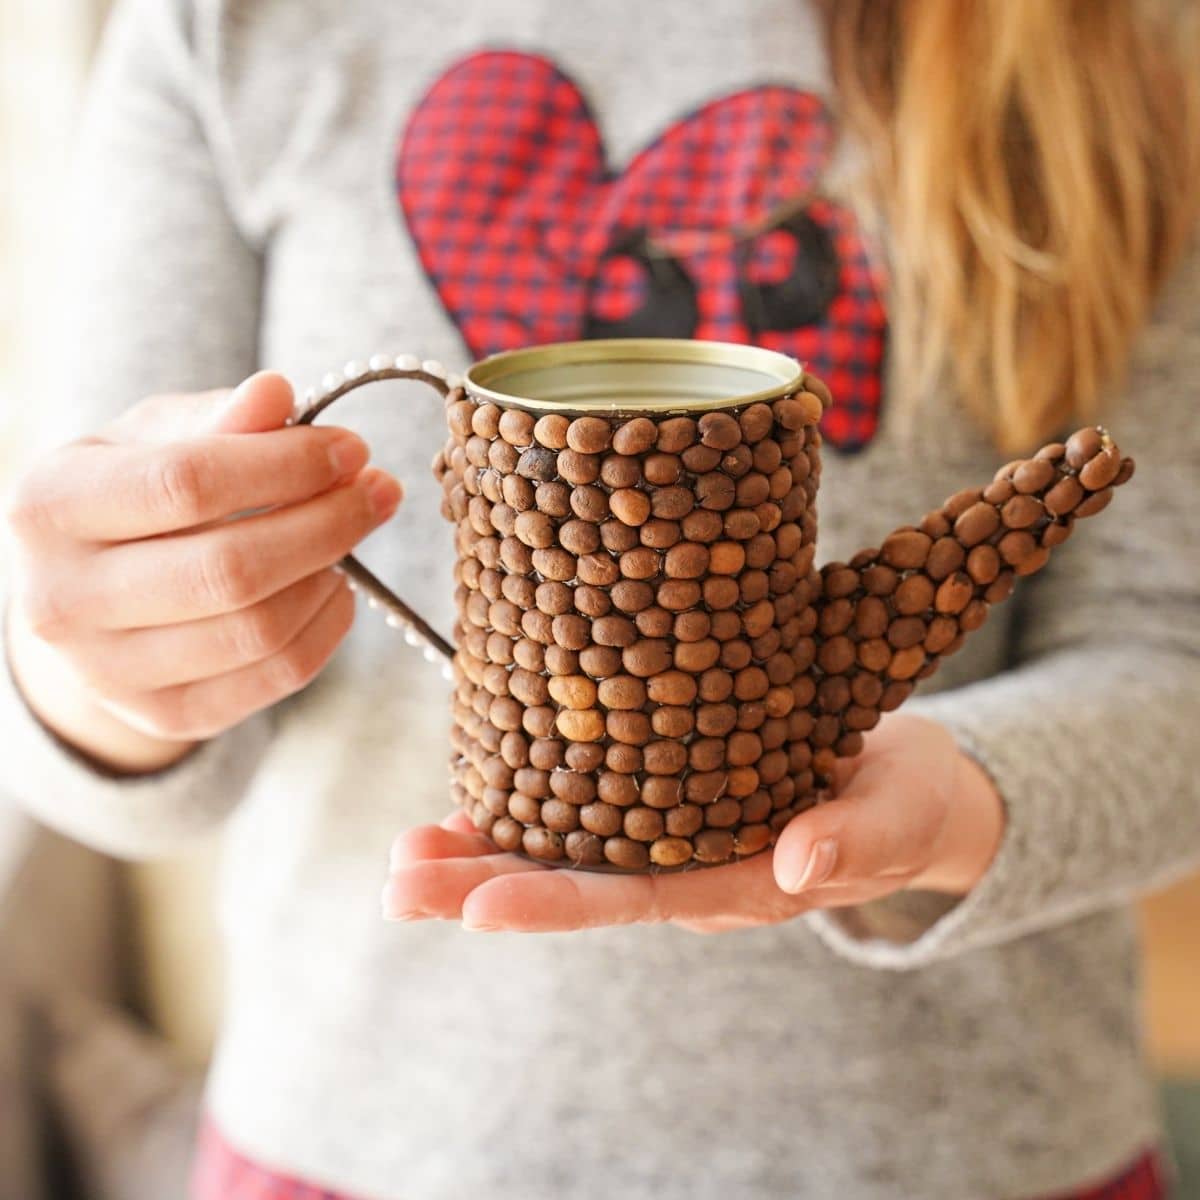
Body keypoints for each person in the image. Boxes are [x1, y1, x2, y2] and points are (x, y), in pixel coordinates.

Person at [2, 0, 1198, 1196]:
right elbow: (111, 747)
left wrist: (959, 796)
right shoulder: (233, 24)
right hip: (369, 1145)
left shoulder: (1098, 40)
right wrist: (105, 657)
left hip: (978, 1155)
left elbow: (1171, 654)